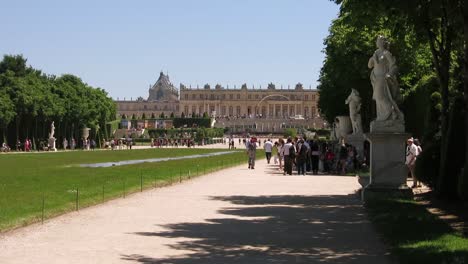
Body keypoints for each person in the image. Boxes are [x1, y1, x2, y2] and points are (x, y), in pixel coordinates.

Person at [368, 35, 404, 121]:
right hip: (376, 79)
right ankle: (383, 117)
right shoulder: (376, 53)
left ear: (383, 42)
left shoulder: (386, 53)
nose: (377, 42)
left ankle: (391, 111)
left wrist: (389, 75)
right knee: (378, 98)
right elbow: (369, 66)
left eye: (380, 40)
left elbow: (394, 66)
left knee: (380, 96)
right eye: (377, 40)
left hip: (383, 78)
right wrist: (373, 58)